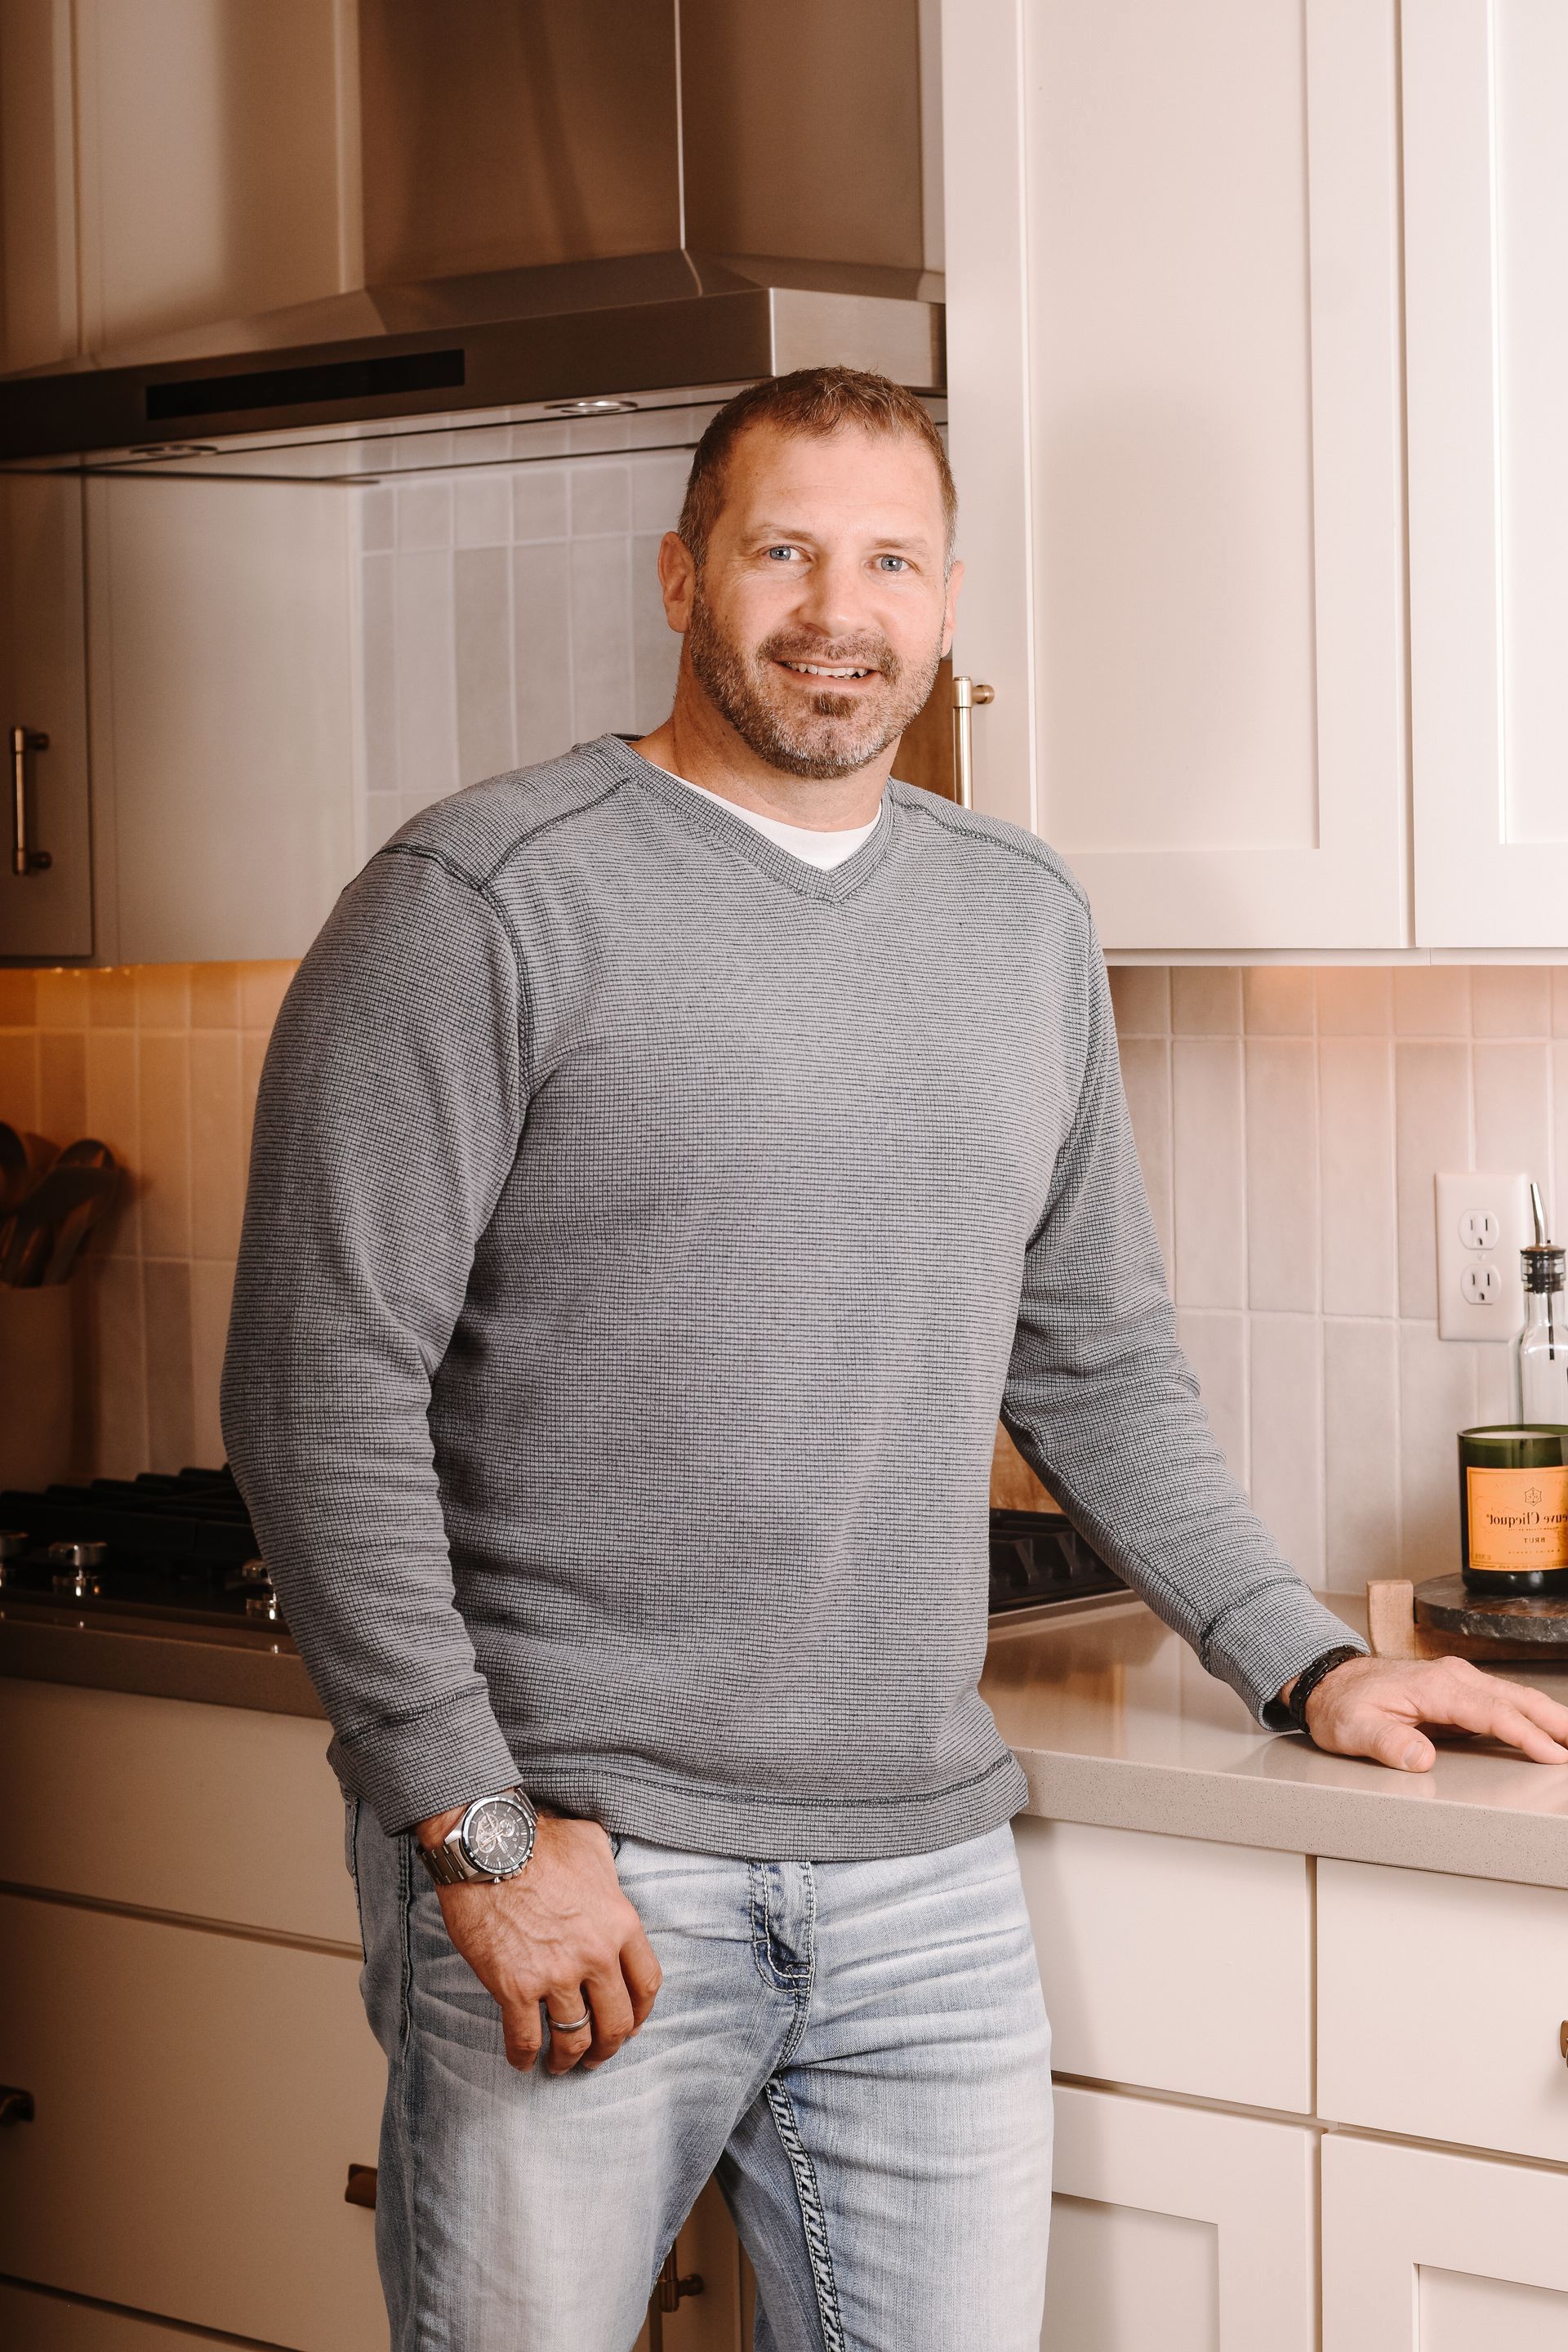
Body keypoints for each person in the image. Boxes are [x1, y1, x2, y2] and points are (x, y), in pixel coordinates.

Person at [220, 367, 1568, 2352]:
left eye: (890, 561)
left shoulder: (1020, 922)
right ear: (683, 578)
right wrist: (479, 1836)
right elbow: (312, 1387)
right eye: (783, 549)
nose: (836, 609)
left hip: (924, 1880)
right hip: (588, 1867)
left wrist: (1308, 1654)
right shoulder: (484, 902)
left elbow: (1096, 1353)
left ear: (948, 613)